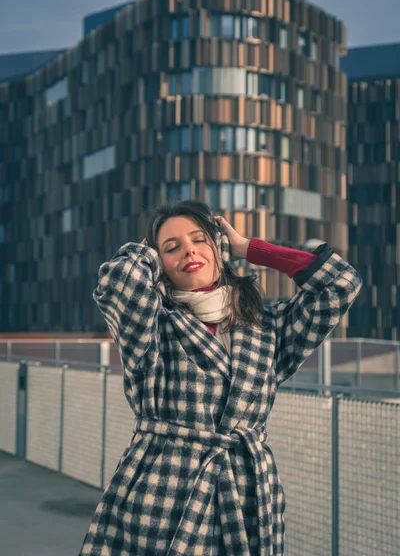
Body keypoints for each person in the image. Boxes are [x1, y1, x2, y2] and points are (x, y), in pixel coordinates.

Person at [79, 199, 362, 556]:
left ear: (219, 248)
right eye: (172, 247)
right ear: (159, 263)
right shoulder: (152, 327)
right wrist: (148, 250)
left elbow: (341, 284)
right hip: (165, 493)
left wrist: (249, 249)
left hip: (247, 492)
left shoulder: (266, 329)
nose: (189, 251)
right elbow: (120, 281)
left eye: (200, 240)